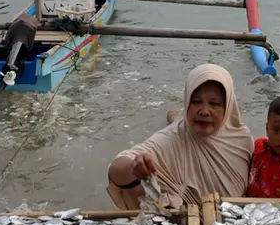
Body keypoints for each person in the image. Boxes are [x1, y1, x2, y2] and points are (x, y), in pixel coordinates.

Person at [108, 65, 253, 209]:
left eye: (214, 104)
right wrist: (133, 166)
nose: (204, 111)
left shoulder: (242, 139)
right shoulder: (171, 139)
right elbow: (117, 168)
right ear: (186, 102)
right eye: (195, 101)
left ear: (228, 107)